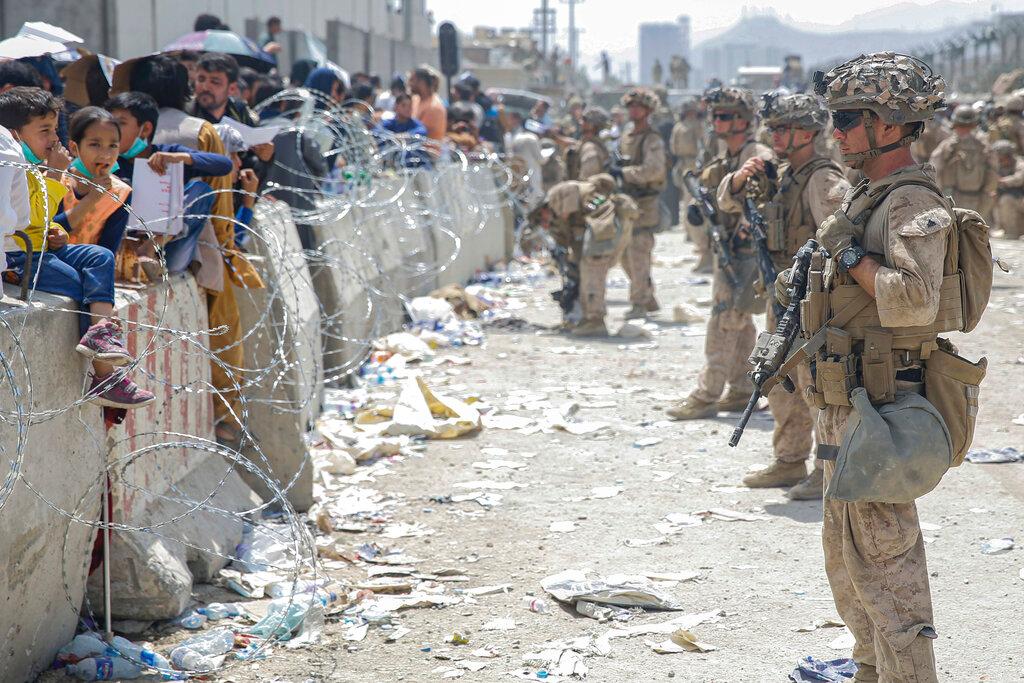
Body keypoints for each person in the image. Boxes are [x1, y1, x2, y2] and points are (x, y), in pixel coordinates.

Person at [800, 51, 962, 682]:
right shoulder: (871, 195)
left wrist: (845, 258)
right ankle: (871, 666)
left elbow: (914, 298)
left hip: (882, 404)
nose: (835, 133)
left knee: (886, 559)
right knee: (847, 554)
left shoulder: (909, 201)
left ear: (891, 124)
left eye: (847, 118)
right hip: (846, 402)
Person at [715, 92, 849, 499]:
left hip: (812, 306)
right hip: (782, 298)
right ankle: (790, 461)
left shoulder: (822, 179)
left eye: (782, 128)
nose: (773, 135)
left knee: (817, 391)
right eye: (771, 128)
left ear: (808, 132)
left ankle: (829, 471)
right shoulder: (783, 172)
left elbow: (843, 240)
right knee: (781, 384)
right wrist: (739, 179)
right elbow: (726, 201)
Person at [127, 54, 263, 444]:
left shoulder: (127, 125)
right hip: (199, 252)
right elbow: (218, 203)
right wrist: (229, 249)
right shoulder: (199, 131)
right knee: (225, 340)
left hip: (141, 247)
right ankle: (228, 423)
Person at [0, 87, 154, 408]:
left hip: (42, 245)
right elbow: (25, 218)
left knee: (99, 256)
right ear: (16, 134)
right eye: (44, 131)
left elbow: (44, 222)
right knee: (74, 282)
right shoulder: (15, 167)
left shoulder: (36, 167)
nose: (53, 138)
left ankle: (100, 335)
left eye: (54, 129)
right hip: (20, 256)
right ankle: (104, 374)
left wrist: (57, 231)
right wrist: (56, 177)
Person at [668, 86, 773, 420]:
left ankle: (707, 393)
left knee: (724, 319)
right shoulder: (725, 154)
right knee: (738, 321)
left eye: (724, 116)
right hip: (729, 245)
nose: (716, 121)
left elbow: (766, 200)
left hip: (746, 249)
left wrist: (742, 221)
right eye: (714, 115)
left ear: (743, 121)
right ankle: (742, 387)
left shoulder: (756, 154)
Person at [105, 91, 232, 275]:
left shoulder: (167, 154)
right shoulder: (110, 162)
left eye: (121, 124)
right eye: (111, 123)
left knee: (201, 190)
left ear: (146, 129)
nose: (113, 131)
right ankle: (141, 249)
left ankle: (152, 245)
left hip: (169, 254)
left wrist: (181, 158)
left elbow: (224, 165)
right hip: (121, 249)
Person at [536, 174, 638, 337]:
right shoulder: (577, 201)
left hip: (603, 228)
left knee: (591, 270)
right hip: (606, 227)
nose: (546, 224)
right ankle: (589, 317)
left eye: (544, 220)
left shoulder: (559, 194)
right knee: (587, 269)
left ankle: (595, 320)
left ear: (544, 209)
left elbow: (566, 217)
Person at [611, 87, 667, 321]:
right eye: (631, 106)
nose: (633, 111)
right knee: (624, 255)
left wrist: (625, 173)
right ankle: (647, 295)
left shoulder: (651, 139)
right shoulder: (627, 136)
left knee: (638, 253)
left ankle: (639, 303)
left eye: (638, 107)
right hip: (626, 202)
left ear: (648, 110)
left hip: (644, 203)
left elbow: (654, 170)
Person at [187, 53, 274, 166]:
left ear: (232, 88)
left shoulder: (239, 111)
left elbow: (252, 155)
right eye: (201, 79)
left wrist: (266, 156)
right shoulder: (186, 114)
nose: (205, 87)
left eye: (215, 82)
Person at [929, 104, 997, 222]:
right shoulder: (983, 146)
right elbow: (993, 172)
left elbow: (933, 170)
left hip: (953, 199)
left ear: (955, 124)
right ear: (974, 124)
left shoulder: (947, 146)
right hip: (976, 199)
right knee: (973, 233)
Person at [672, 100, 710, 272]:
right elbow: (674, 147)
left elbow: (705, 146)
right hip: (684, 166)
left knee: (692, 206)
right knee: (686, 205)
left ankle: (704, 250)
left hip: (694, 166)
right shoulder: (681, 126)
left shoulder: (696, 126)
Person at [565, 106, 610, 181]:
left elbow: (586, 182)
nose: (581, 123)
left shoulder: (591, 149)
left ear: (591, 125)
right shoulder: (585, 143)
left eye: (584, 120)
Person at [992, 139, 1024, 239]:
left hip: (1020, 197)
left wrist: (1003, 181)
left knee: (1007, 200)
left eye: (1003, 158)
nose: (1001, 160)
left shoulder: (1020, 163)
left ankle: (1013, 233)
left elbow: (1020, 178)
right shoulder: (997, 165)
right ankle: (1002, 229)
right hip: (1005, 197)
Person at [409, 66, 446, 142]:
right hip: (411, 148)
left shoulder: (434, 107)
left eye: (412, 80)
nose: (409, 83)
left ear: (421, 82)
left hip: (427, 151)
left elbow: (420, 134)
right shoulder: (415, 100)